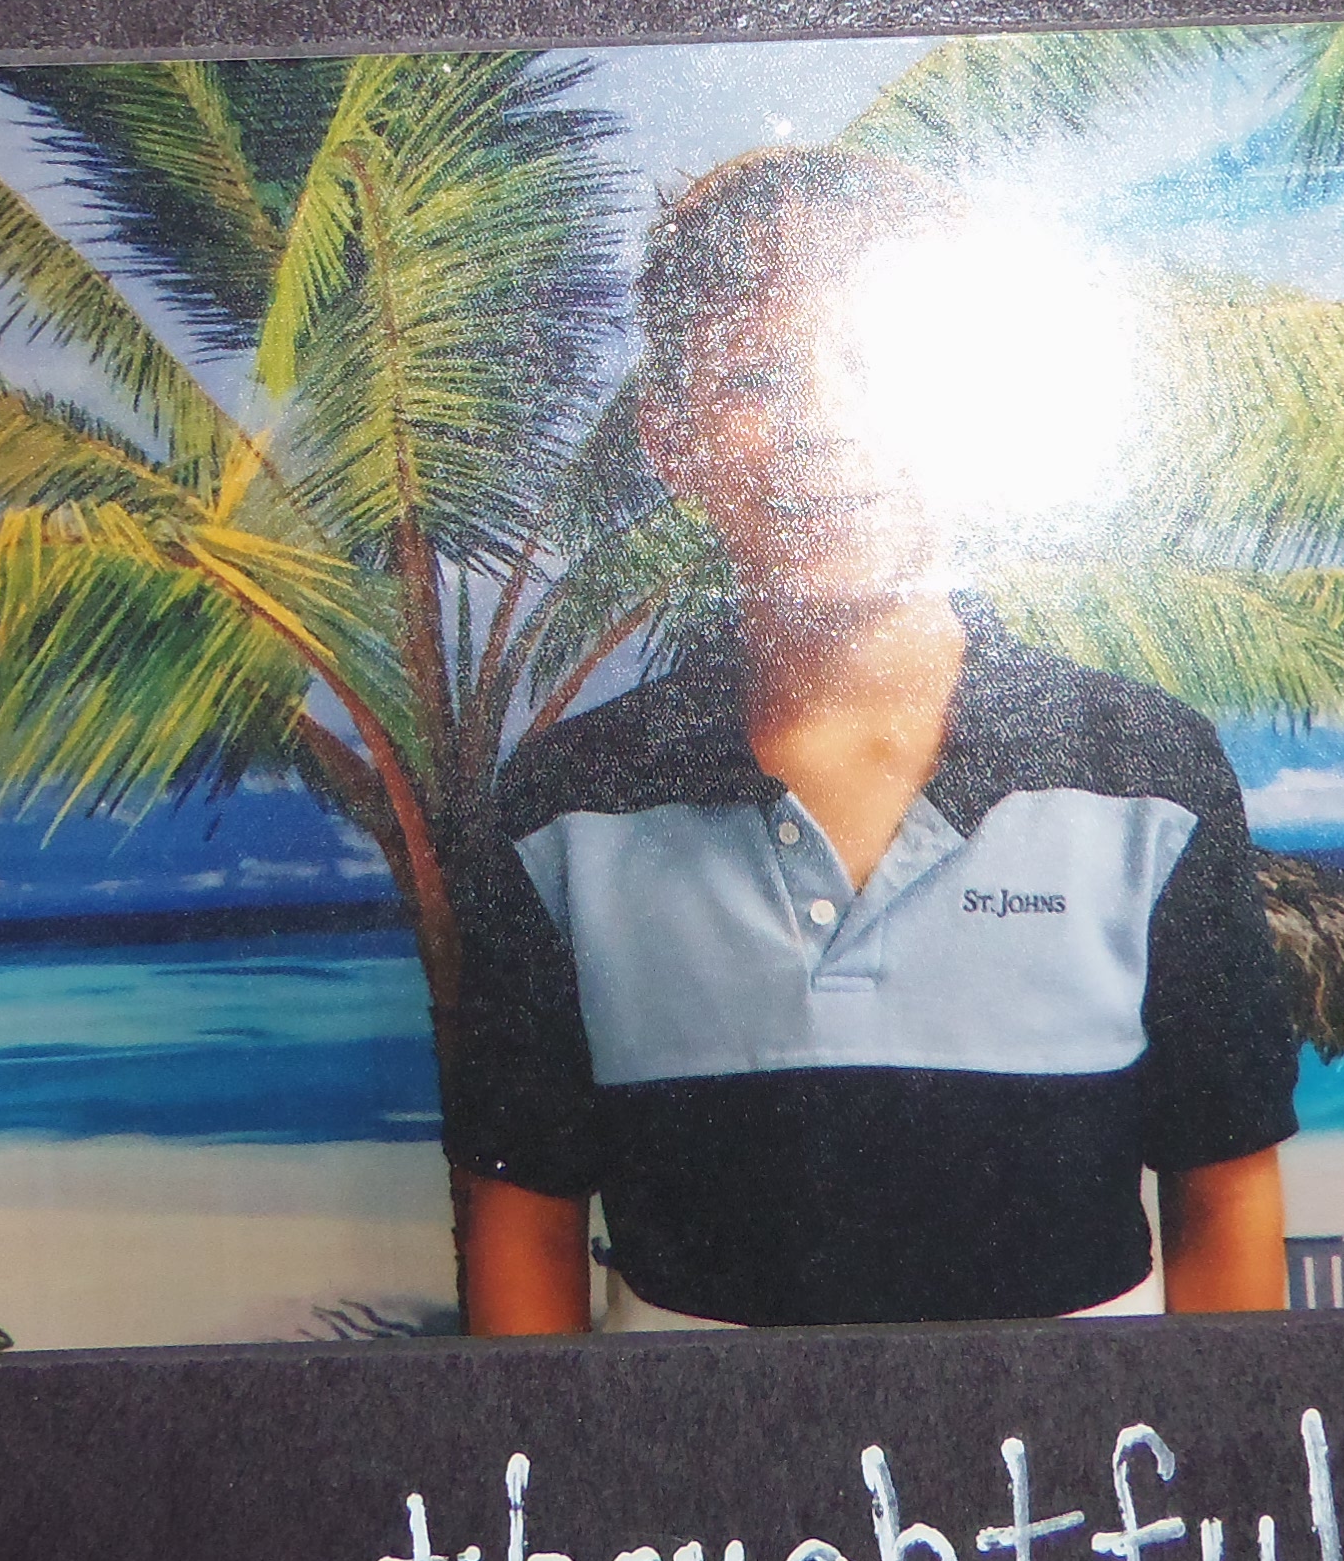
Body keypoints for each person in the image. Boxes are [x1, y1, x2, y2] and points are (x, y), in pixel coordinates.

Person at [439, 145, 1298, 1332]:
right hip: (693, 1459)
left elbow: (1225, 1189)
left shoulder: (1148, 774)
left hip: (1083, 1454)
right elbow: (524, 1218)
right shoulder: (564, 812)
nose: (827, 424)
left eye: (882, 365)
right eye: (758, 376)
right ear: (671, 440)